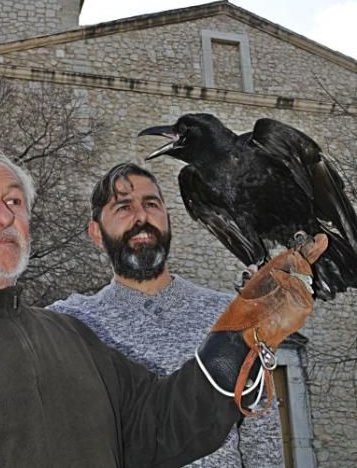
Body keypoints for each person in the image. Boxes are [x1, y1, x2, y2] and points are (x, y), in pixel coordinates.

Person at [0, 146, 318, 467]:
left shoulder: (71, 337)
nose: (3, 215)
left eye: (14, 201)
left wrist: (244, 336)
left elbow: (161, 424)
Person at [50, 163, 289, 467]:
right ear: (96, 233)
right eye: (123, 207)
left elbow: (261, 437)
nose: (141, 217)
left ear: (168, 219)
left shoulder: (231, 314)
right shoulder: (68, 324)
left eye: (151, 204)